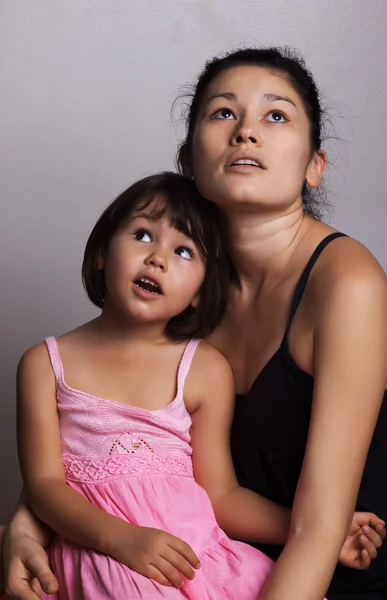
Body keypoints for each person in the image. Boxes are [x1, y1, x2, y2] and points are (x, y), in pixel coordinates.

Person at [2, 47, 387, 599]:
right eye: (223, 113)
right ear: (188, 159)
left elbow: (318, 526)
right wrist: (25, 522)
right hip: (180, 559)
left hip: (322, 572)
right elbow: (105, 435)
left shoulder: (347, 282)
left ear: (314, 166)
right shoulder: (184, 294)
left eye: (275, 116)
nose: (246, 133)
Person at [10, 170, 310, 600]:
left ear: (200, 294)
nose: (158, 259)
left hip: (192, 560)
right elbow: (43, 487)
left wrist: (309, 527)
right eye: (143, 235)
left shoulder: (204, 369)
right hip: (101, 553)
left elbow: (222, 495)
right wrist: (122, 540)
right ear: (101, 253)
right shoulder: (45, 365)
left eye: (184, 251)